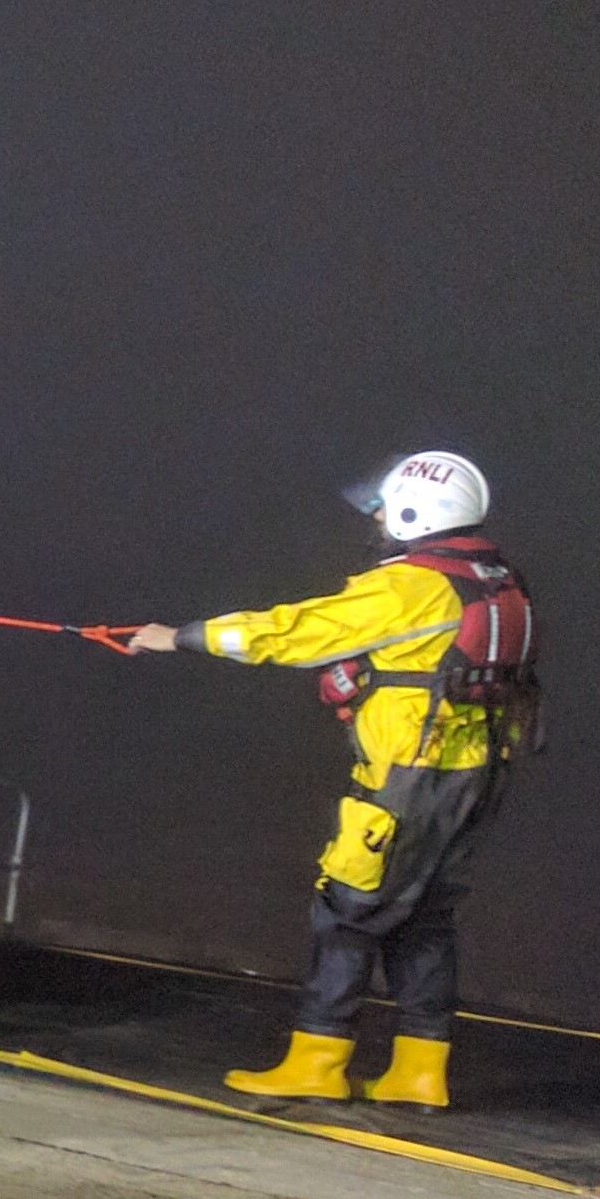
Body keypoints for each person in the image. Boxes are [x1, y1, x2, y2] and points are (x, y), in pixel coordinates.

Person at [123, 451, 532, 1109]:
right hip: (473, 776)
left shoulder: (407, 587)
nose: (374, 520)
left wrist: (181, 637)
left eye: (381, 509)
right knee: (424, 920)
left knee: (345, 910)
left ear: (411, 511)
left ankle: (317, 1060)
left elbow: (296, 632)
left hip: (407, 777)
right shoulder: (495, 577)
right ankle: (418, 1072)